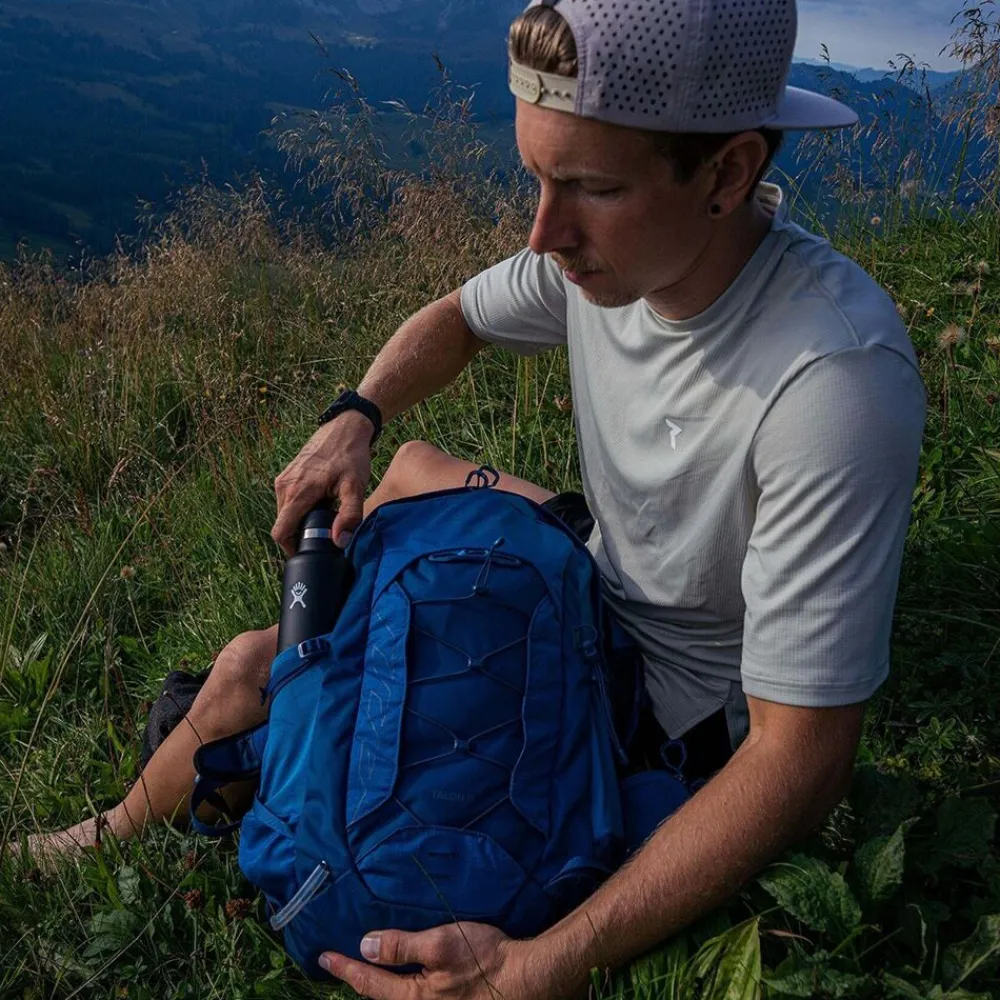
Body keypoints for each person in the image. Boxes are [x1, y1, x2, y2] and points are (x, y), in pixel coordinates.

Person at [27, 0, 926, 995]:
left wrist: (534, 968)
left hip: (656, 700)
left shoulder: (830, 384)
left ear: (727, 173)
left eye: (592, 187)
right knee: (411, 461)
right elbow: (458, 316)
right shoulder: (617, 261)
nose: (546, 233)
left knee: (251, 666)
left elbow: (801, 761)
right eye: (536, 177)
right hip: (601, 571)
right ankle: (291, 706)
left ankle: (137, 813)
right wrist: (354, 414)